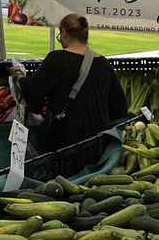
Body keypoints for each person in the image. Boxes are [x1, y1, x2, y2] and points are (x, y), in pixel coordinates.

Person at [12, 14, 127, 153]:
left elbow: (33, 94)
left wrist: (19, 75)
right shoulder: (103, 63)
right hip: (99, 143)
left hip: (65, 143)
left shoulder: (57, 59)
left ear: (64, 33)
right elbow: (119, 107)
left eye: (60, 35)